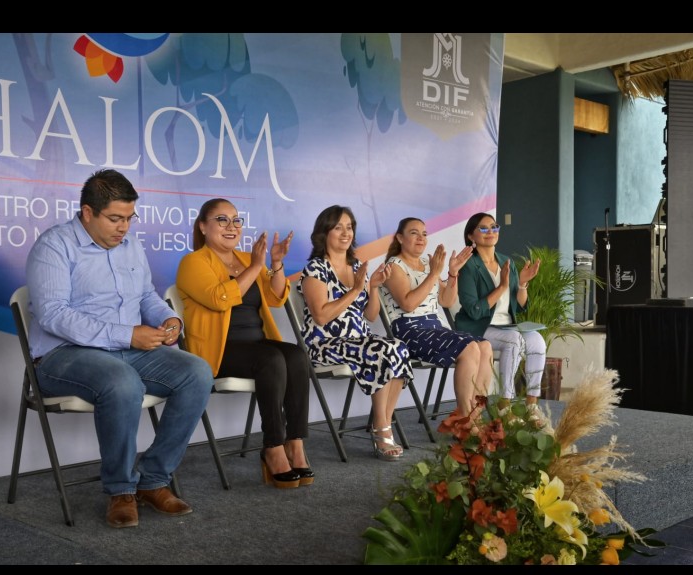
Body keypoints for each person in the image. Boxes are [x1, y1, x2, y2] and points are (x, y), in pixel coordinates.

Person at [26, 168, 214, 529]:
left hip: (125, 352)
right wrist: (127, 335)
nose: (124, 227)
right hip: (62, 356)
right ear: (87, 213)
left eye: (129, 218)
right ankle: (121, 490)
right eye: (115, 219)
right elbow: (54, 315)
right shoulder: (54, 246)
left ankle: (153, 480)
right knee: (122, 382)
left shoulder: (131, 246)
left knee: (197, 373)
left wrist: (170, 319)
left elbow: (145, 296)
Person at [176, 198, 313, 489]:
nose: (231, 226)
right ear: (203, 226)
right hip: (217, 351)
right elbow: (219, 299)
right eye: (221, 220)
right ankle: (273, 447)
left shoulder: (244, 259)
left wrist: (275, 264)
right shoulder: (193, 262)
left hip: (256, 345)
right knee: (271, 359)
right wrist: (256, 266)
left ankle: (295, 443)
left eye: (236, 220)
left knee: (296, 356)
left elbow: (276, 297)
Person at [299, 205, 414, 461]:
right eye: (338, 227)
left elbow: (370, 316)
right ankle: (382, 429)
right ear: (324, 233)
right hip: (325, 344)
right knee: (380, 350)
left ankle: (382, 423)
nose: (345, 233)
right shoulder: (316, 269)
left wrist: (372, 288)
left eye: (349, 227)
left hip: (359, 341)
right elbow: (321, 316)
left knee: (399, 347)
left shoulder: (356, 267)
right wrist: (354, 290)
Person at [380, 217, 493, 420]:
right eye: (414, 233)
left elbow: (447, 301)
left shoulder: (427, 263)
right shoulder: (394, 266)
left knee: (485, 347)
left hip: (435, 329)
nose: (421, 238)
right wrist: (433, 274)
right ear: (400, 238)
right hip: (409, 332)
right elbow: (408, 304)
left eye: (424, 234)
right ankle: (464, 419)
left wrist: (453, 273)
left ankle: (475, 417)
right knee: (470, 347)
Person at [454, 212, 545, 422]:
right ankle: (505, 404)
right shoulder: (468, 265)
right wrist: (502, 286)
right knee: (513, 340)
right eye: (483, 228)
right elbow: (474, 310)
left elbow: (519, 306)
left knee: (537, 341)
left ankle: (532, 405)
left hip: (507, 326)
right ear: (471, 236)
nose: (491, 232)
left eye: (494, 227)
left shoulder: (506, 261)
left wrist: (522, 284)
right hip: (478, 326)